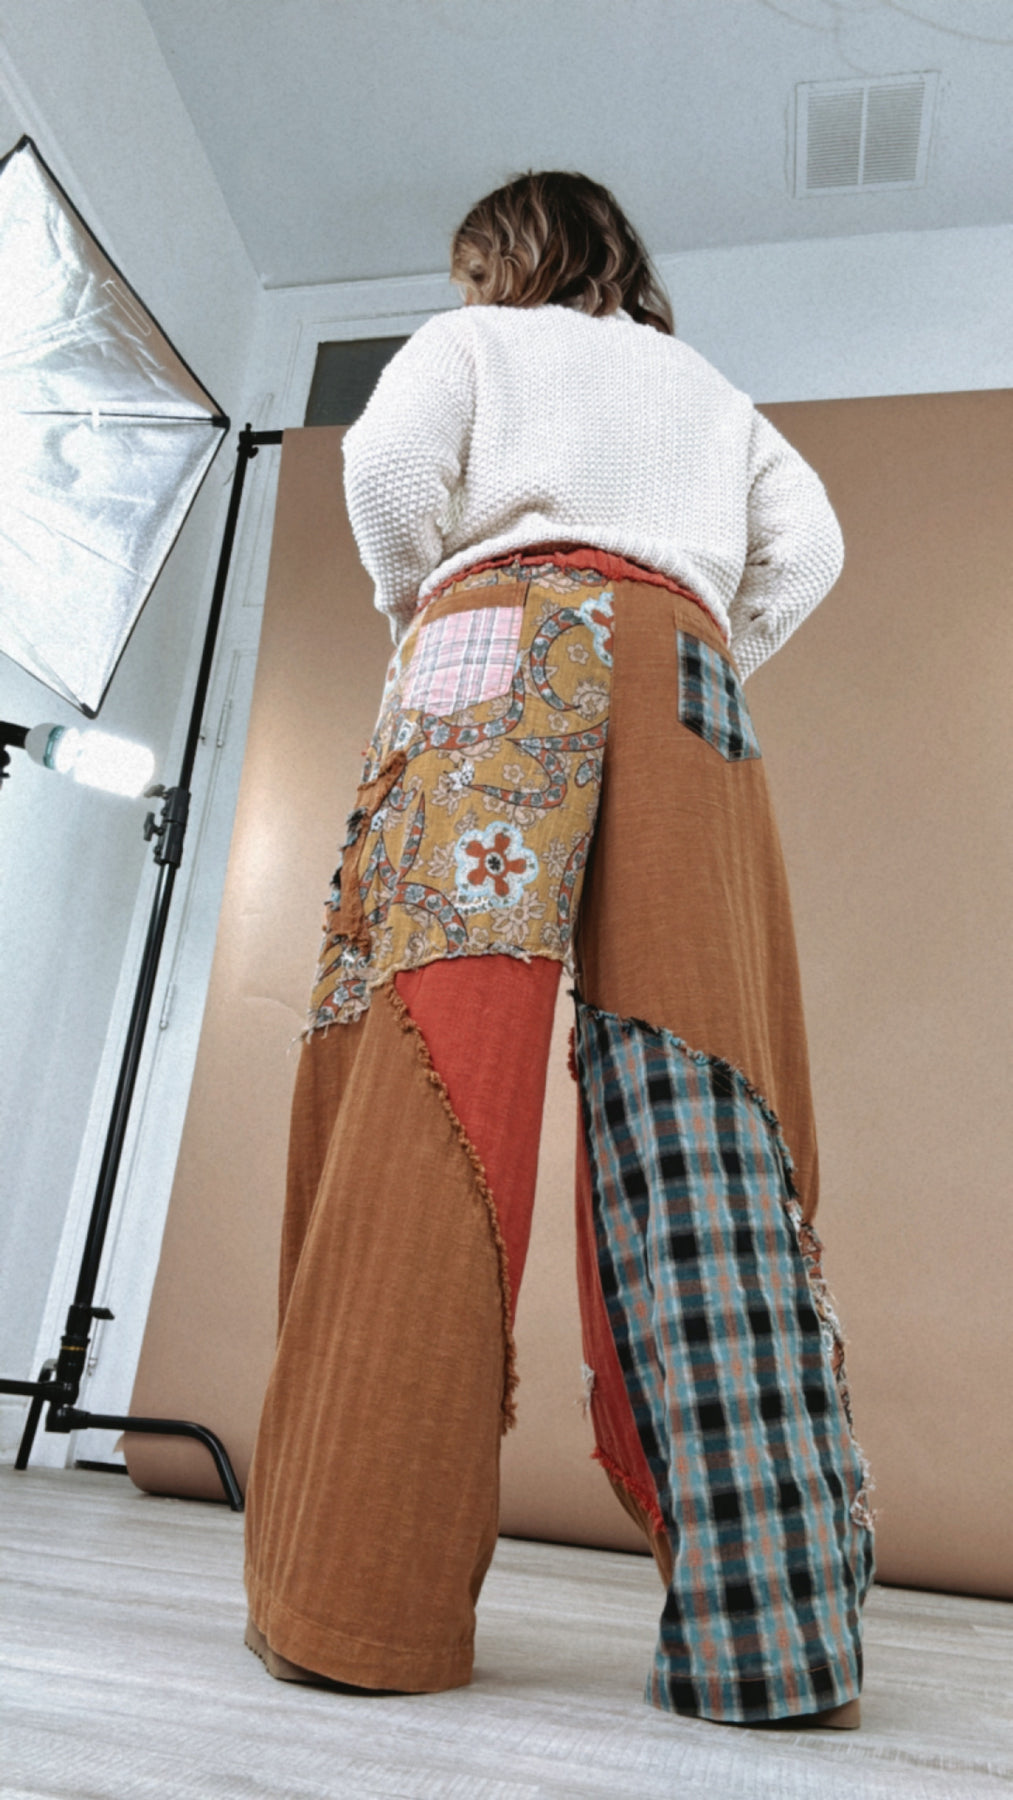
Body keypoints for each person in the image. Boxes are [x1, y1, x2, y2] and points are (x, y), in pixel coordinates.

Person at [243, 170, 874, 1728]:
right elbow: (810, 546)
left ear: (498, 262)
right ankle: (773, 1636)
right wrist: (702, 635)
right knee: (710, 1103)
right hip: (685, 673)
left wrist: (420, 608)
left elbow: (388, 472)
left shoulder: (474, 345)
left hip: (490, 639)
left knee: (430, 1069)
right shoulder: (703, 387)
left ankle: (358, 1598)